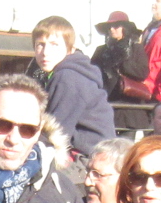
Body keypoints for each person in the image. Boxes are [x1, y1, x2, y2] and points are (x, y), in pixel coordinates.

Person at [31, 16, 114, 157]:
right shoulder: (64, 73)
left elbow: (56, 131)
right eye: (40, 44)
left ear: (70, 49)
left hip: (90, 158)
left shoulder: (68, 77)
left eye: (54, 44)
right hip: (93, 152)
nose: (45, 52)